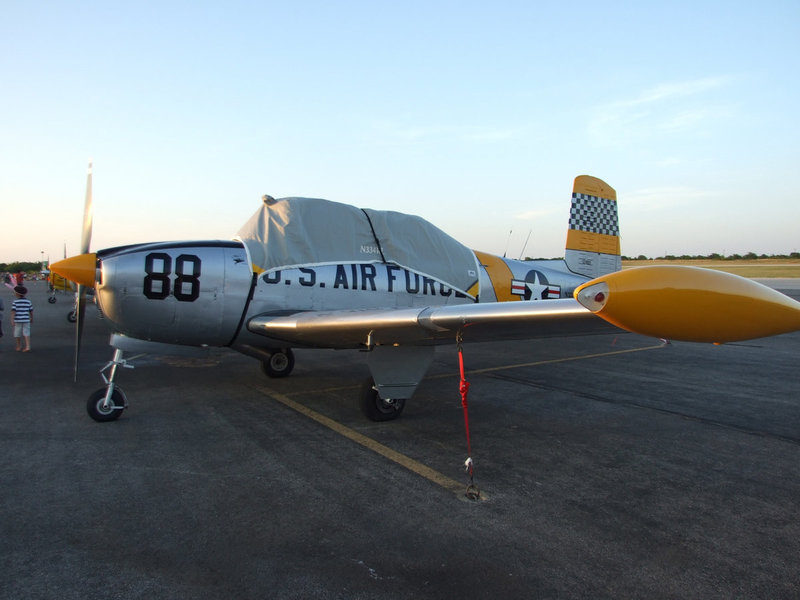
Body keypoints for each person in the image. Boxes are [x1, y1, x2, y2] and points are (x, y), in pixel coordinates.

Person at [11, 285, 33, 352]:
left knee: (17, 333)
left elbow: (13, 312)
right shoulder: (28, 301)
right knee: (26, 332)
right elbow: (31, 311)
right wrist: (31, 318)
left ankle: (18, 346)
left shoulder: (15, 302)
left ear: (17, 294)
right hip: (26, 319)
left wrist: (12, 320)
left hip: (18, 319)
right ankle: (28, 346)